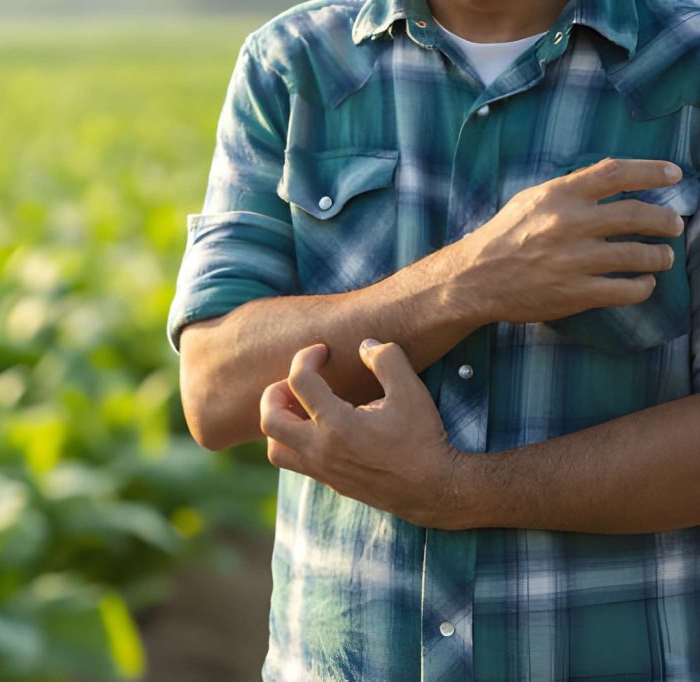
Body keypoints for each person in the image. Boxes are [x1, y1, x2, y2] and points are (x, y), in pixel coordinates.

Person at [167, 0, 700, 678]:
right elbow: (217, 392)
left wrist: (464, 491)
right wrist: (467, 282)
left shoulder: (686, 64)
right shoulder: (295, 64)